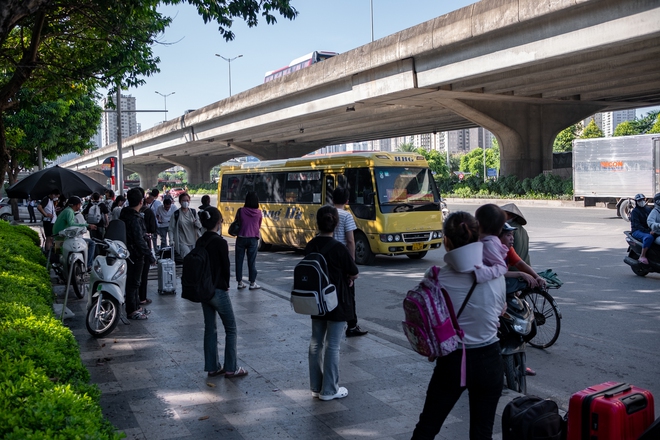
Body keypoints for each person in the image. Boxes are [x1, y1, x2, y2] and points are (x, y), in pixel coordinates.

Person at [411, 211, 505, 440]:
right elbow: (499, 312)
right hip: (490, 360)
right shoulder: (497, 275)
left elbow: (429, 321)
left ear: (447, 240)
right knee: (482, 433)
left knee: (427, 426)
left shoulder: (434, 279)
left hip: (451, 361)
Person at [305, 205, 359, 401]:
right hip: (336, 301)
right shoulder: (339, 248)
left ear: (317, 223)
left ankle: (315, 386)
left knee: (315, 343)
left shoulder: (310, 245)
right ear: (336, 225)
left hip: (315, 302)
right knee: (333, 345)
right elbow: (354, 271)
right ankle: (329, 390)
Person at [198, 207, 248, 378]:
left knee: (210, 328)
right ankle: (231, 368)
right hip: (218, 289)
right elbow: (225, 267)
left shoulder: (200, 241)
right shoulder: (220, 242)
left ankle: (212, 367)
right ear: (218, 222)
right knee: (231, 328)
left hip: (204, 291)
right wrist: (226, 284)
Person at [332, 187, 367, 338]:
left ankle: (331, 320)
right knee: (348, 293)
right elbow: (351, 241)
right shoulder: (346, 216)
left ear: (332, 199)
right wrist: (352, 263)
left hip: (329, 258)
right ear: (347, 201)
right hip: (342, 258)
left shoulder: (326, 212)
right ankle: (352, 325)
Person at [119, 188, 154, 320]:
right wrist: (149, 255)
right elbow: (139, 239)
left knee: (132, 281)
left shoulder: (124, 214)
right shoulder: (134, 218)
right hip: (135, 254)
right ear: (141, 201)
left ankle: (135, 306)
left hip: (126, 252)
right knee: (134, 282)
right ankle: (132, 310)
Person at [52, 196, 97, 270]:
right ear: (77, 205)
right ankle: (88, 265)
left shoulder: (67, 210)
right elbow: (71, 224)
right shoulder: (69, 212)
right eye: (80, 204)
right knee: (91, 243)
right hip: (62, 238)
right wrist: (87, 225)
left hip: (60, 236)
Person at [235, 191, 263, 290]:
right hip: (253, 239)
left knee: (239, 260)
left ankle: (240, 282)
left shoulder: (241, 211)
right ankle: (252, 283)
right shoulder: (259, 212)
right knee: (252, 262)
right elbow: (258, 226)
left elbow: (237, 222)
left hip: (241, 237)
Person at [473, 203, 508, 283]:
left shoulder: (488, 244)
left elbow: (502, 266)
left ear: (478, 223)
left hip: (488, 284)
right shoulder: (492, 240)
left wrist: (481, 273)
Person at [169, 192, 202, 259]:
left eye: (187, 200)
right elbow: (171, 229)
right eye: (183, 200)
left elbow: (199, 226)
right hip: (182, 242)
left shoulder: (193, 212)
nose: (185, 202)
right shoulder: (176, 214)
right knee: (187, 258)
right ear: (180, 202)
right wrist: (171, 240)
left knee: (194, 260)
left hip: (193, 241)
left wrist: (196, 223)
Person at [630, 194, 654, 265]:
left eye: (643, 200)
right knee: (649, 237)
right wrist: (648, 231)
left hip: (648, 229)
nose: (642, 201)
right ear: (636, 201)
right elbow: (637, 225)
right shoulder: (635, 211)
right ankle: (642, 255)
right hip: (637, 231)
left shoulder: (648, 209)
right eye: (639, 200)